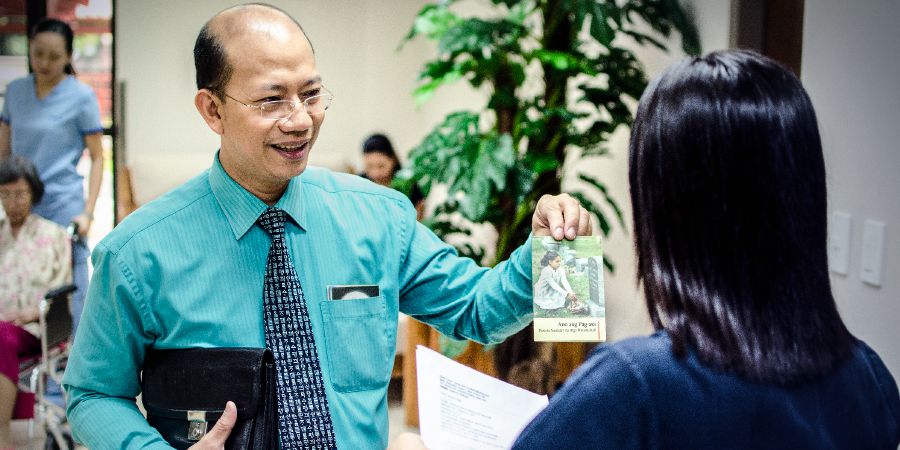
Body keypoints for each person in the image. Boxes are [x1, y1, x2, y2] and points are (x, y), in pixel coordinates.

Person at [61, 4, 590, 449]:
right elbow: (92, 394)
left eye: (311, 95)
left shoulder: (379, 218)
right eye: (272, 100)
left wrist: (543, 253)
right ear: (212, 109)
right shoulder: (137, 253)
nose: (299, 120)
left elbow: (477, 308)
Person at [511, 50, 900, 448]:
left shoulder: (633, 388)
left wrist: (565, 270)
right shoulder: (871, 382)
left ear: (665, 206)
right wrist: (566, 264)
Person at [0, 18, 104, 333]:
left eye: (54, 56)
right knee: (19, 290)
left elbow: (98, 157)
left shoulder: (81, 96)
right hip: (20, 203)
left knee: (68, 297)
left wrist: (87, 212)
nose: (44, 62)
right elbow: (4, 151)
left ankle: (74, 375)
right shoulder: (16, 91)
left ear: (69, 56)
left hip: (62, 205)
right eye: (38, 53)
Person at [0, 156, 72, 449]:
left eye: (20, 194)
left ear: (33, 194)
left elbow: (62, 288)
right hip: (4, 332)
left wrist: (31, 313)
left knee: (2, 336)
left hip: (37, 331)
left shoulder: (53, 235)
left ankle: (2, 436)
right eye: (5, 194)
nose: (13, 201)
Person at [360, 132, 425, 219]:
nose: (376, 173)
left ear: (393, 160)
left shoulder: (406, 182)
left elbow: (419, 213)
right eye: (369, 166)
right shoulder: (360, 183)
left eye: (381, 166)